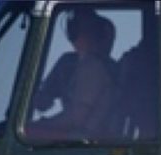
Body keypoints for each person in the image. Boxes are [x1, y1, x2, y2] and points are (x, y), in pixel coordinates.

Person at [27, 8, 117, 140]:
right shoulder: (69, 63)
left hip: (84, 138)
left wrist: (41, 124)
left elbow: (76, 118)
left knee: (24, 132)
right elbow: (43, 102)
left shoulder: (92, 67)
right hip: (83, 135)